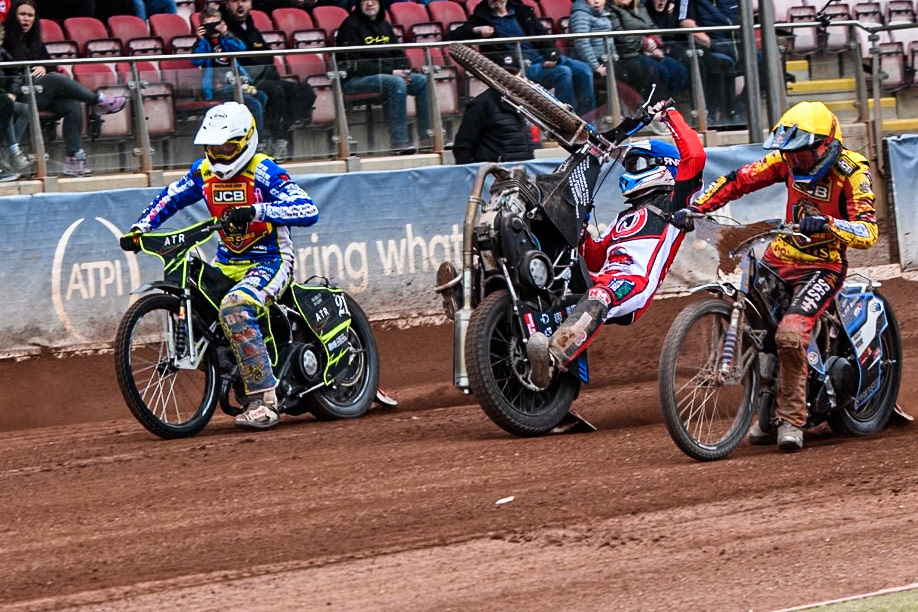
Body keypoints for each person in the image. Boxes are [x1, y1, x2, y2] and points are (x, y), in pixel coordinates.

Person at [671, 101, 878, 451]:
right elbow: (739, 180)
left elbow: (868, 230)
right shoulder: (785, 161)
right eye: (791, 154)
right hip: (779, 256)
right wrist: (696, 207)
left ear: (826, 146)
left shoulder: (851, 171)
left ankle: (792, 419)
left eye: (803, 155)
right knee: (753, 322)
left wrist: (828, 224)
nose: (795, 161)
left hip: (822, 265)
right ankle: (763, 403)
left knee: (790, 334)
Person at [122, 102, 319, 430]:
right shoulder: (203, 171)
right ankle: (236, 370)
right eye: (212, 147)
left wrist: (257, 211)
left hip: (270, 261)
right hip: (226, 263)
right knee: (204, 308)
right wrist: (140, 228)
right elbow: (170, 197)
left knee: (236, 307)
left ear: (245, 142)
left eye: (227, 146)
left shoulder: (263, 169)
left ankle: (264, 400)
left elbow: (307, 208)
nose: (219, 153)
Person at [527, 101, 706, 389]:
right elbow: (597, 259)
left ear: (663, 168)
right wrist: (582, 238)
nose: (629, 170)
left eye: (637, 164)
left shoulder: (673, 203)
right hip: (604, 278)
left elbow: (695, 156)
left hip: (634, 282)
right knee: (552, 294)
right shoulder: (625, 216)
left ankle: (551, 360)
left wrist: (668, 115)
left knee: (600, 294)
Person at [2, 0, 127, 177]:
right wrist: (31, 72)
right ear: (14, 17)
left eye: (30, 15)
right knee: (54, 79)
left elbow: (52, 66)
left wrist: (45, 68)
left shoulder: (36, 41)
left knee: (71, 104)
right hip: (18, 94)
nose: (26, 19)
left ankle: (73, 159)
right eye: (22, 14)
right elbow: (9, 74)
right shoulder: (5, 40)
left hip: (41, 92)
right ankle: (98, 100)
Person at [448, 0, 596, 117]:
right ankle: (567, 121)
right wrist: (476, 30)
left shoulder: (522, 11)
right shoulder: (481, 18)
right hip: (521, 67)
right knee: (563, 72)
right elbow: (451, 37)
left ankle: (587, 118)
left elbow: (543, 36)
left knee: (583, 69)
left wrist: (552, 55)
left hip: (541, 58)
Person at [221, 0, 317, 161]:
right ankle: (276, 138)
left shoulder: (252, 29)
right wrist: (256, 59)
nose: (240, 5)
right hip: (246, 81)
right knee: (276, 91)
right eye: (235, 1)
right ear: (227, 4)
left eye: (244, 1)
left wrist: (255, 59)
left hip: (267, 77)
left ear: (251, 4)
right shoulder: (224, 31)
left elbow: (269, 56)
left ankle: (281, 131)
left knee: (305, 91)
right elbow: (242, 60)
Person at [335, 0, 430, 153]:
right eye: (365, 1)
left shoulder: (384, 24)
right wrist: (391, 72)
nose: (370, 4)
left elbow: (397, 53)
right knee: (396, 83)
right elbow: (355, 65)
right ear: (359, 4)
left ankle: (427, 136)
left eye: (374, 0)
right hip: (354, 80)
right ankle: (399, 142)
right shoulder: (349, 26)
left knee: (422, 81)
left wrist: (404, 69)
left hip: (386, 76)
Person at [192, 6, 270, 146]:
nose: (212, 28)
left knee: (262, 96)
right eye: (208, 25)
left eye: (215, 24)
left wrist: (226, 34)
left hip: (236, 82)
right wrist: (201, 39)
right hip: (219, 88)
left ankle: (251, 132)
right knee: (254, 104)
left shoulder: (226, 39)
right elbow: (196, 60)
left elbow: (241, 49)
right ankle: (258, 143)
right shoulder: (202, 44)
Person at [452, 55, 534, 164]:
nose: (508, 78)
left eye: (512, 74)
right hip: (494, 175)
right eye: (503, 73)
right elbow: (462, 145)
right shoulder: (481, 104)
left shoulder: (524, 103)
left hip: (522, 173)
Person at [606, 0, 686, 101]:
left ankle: (667, 106)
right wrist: (644, 42)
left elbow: (652, 27)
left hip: (648, 51)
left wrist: (655, 41)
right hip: (628, 54)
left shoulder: (639, 7)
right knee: (660, 72)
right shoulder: (612, 9)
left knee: (679, 70)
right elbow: (620, 36)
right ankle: (652, 110)